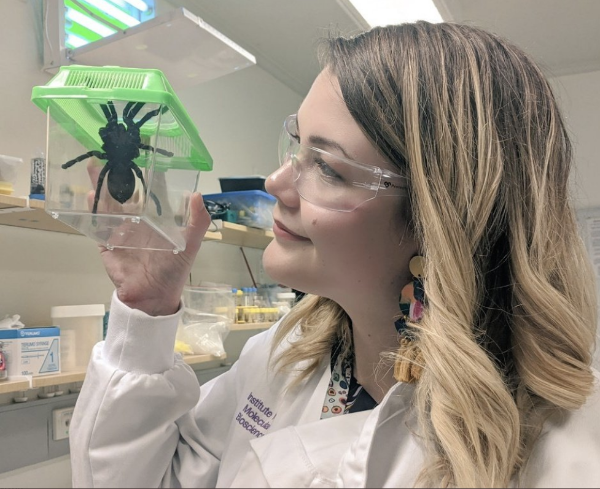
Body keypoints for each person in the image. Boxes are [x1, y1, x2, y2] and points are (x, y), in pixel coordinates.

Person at [70, 21, 600, 488]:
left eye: (327, 167)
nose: (276, 182)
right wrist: (147, 309)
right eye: (297, 145)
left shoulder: (567, 448)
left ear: (440, 220)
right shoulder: (282, 357)